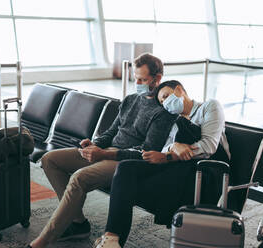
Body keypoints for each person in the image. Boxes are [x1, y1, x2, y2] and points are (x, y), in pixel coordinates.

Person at [28, 54, 177, 248]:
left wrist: (105, 153)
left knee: (79, 178)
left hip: (124, 162)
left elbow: (146, 152)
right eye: (135, 78)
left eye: (143, 79)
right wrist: (95, 144)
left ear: (157, 79)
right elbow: (112, 131)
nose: (137, 83)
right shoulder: (131, 100)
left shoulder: (163, 112)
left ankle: (43, 240)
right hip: (106, 151)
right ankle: (78, 223)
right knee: (50, 160)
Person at [93, 80, 231, 248]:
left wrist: (168, 156)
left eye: (166, 97)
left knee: (131, 183)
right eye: (162, 102)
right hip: (175, 167)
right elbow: (165, 146)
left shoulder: (209, 107)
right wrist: (174, 147)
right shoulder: (173, 119)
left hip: (205, 171)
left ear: (179, 90)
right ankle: (112, 239)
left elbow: (209, 146)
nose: (165, 103)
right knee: (125, 167)